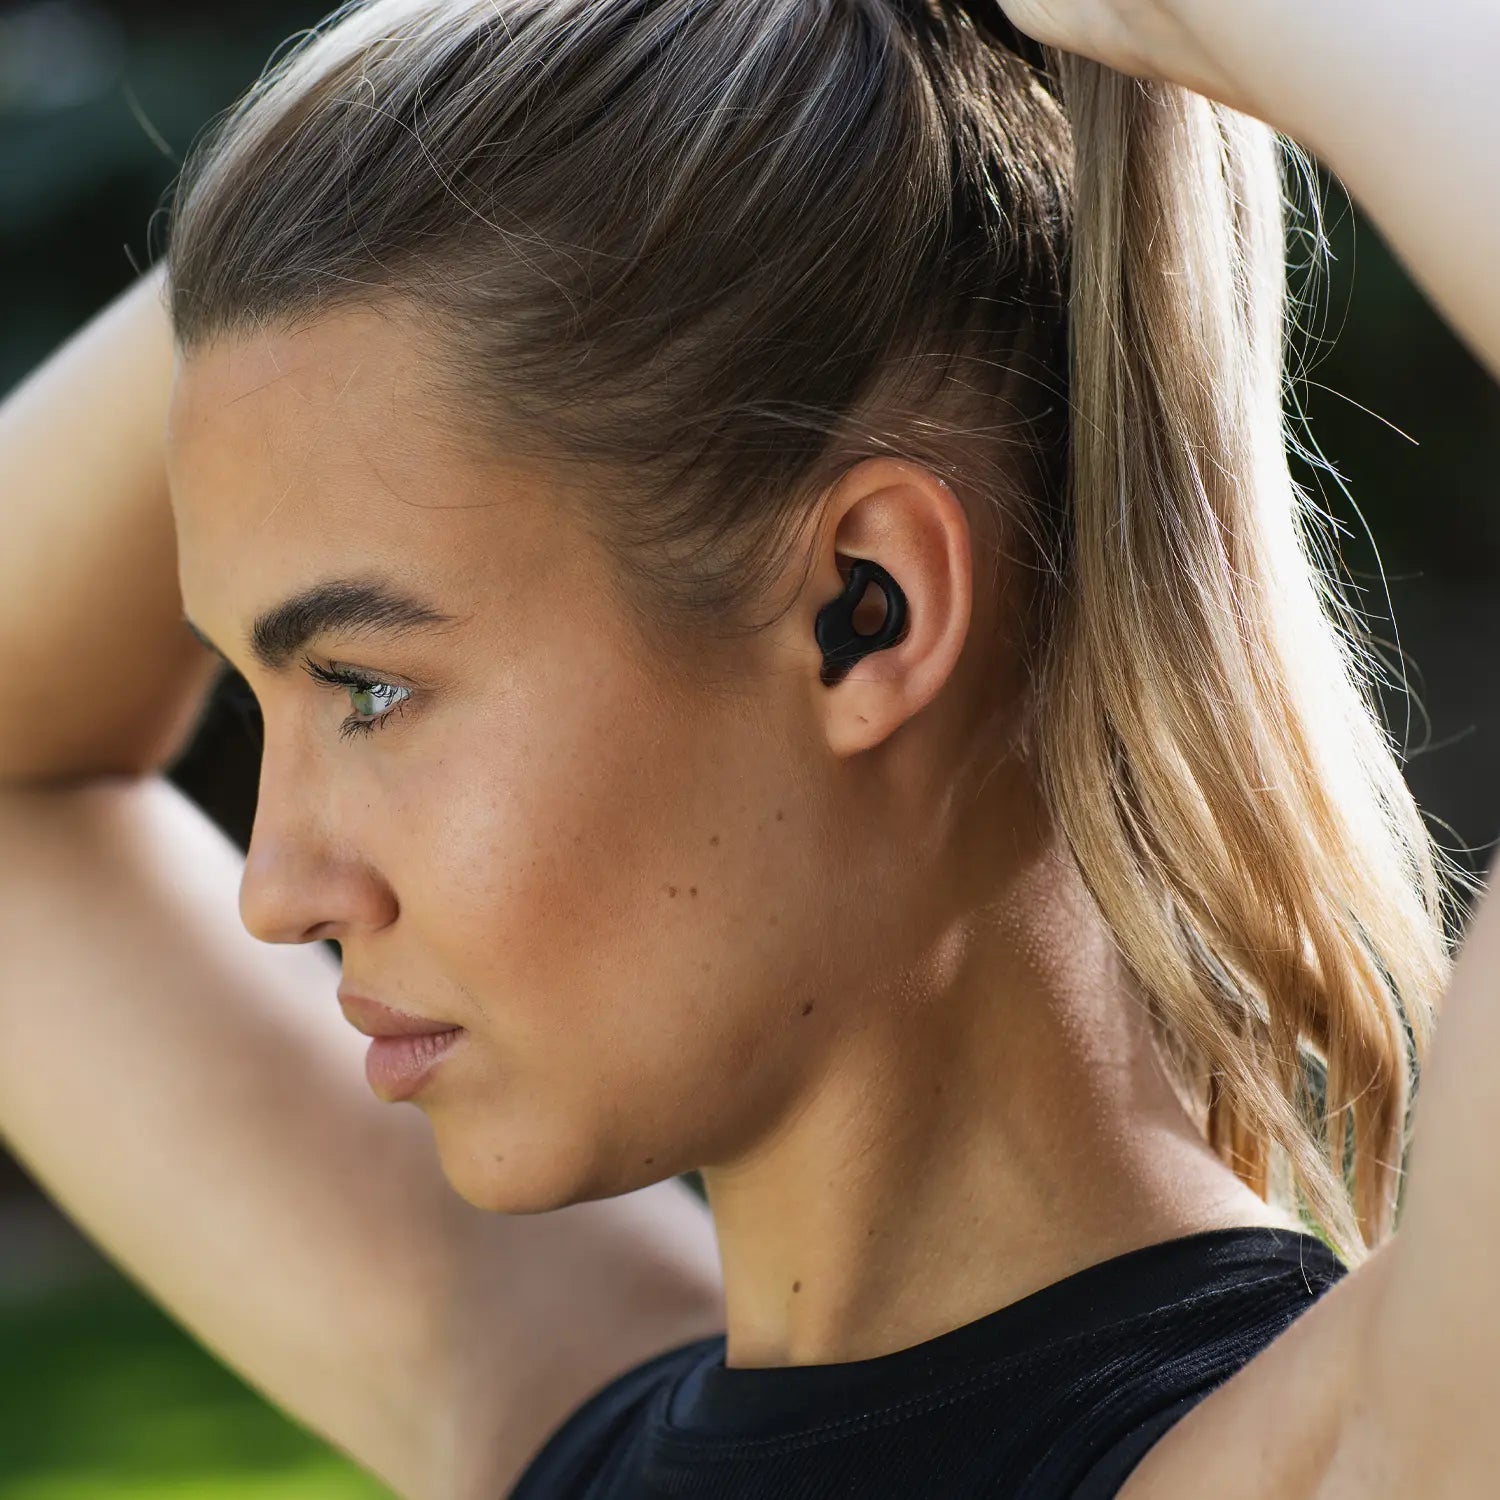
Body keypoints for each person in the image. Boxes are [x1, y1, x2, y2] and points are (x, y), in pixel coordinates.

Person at [0, 0, 1495, 1494]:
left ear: (869, 609)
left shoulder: (1366, 1454)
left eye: (367, 688)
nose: (277, 890)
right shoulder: (551, 1421)